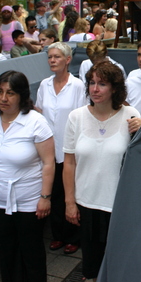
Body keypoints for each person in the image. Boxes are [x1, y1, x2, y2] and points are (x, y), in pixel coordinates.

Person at [0, 71, 54, 282]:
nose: (3, 98)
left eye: (10, 93)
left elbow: (48, 163)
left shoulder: (35, 122)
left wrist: (45, 197)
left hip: (28, 202)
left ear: (21, 95)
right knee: (5, 252)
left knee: (31, 254)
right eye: (0, 92)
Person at [63, 61, 141, 282]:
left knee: (121, 267)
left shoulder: (131, 114)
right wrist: (70, 202)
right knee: (94, 270)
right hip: (87, 204)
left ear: (115, 88)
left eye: (102, 84)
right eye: (91, 83)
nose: (95, 89)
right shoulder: (76, 117)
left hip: (120, 206)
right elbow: (69, 163)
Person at [35, 43, 87, 255]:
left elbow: (82, 117)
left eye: (57, 57)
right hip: (49, 147)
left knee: (71, 192)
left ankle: (74, 236)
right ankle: (58, 235)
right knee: (53, 192)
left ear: (67, 60)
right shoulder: (44, 85)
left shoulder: (77, 86)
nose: (52, 60)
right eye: (50, 57)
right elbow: (39, 113)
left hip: (70, 147)